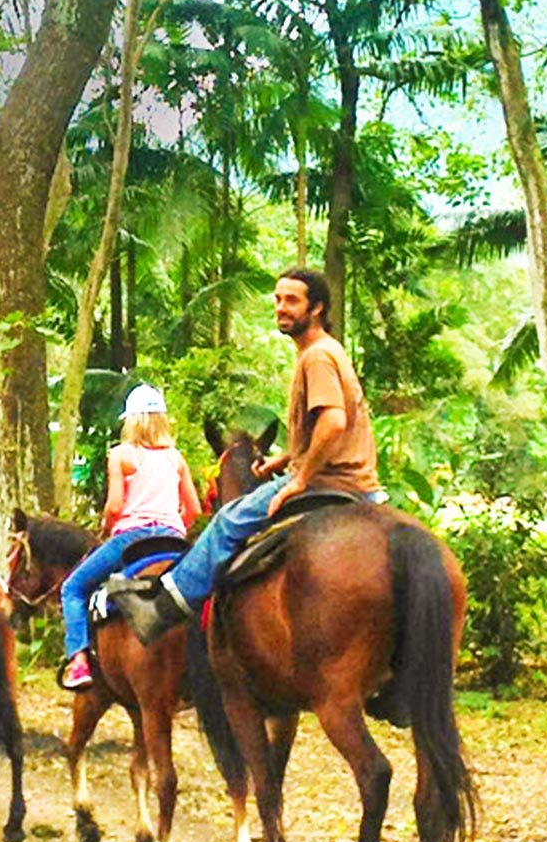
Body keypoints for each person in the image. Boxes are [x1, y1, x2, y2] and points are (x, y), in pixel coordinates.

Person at [106, 269, 383, 644]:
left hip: (329, 481)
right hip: (361, 484)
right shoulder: (329, 351)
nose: (281, 308)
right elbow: (330, 427)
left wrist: (299, 479)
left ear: (317, 308)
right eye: (278, 299)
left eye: (292, 301)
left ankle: (164, 607)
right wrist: (285, 459)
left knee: (226, 522)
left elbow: (334, 422)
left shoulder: (316, 356)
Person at [56, 386, 200, 690]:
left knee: (73, 588)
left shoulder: (122, 455)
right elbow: (194, 508)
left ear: (130, 421)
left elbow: (115, 506)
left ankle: (79, 661)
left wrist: (108, 529)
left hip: (132, 540)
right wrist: (175, 528)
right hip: (173, 540)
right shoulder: (176, 459)